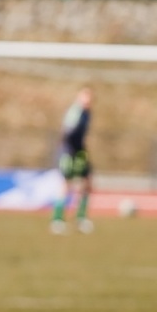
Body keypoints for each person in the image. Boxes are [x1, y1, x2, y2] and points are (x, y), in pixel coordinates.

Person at [51, 88, 93, 235]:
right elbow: (66, 132)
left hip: (80, 152)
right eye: (85, 97)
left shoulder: (88, 113)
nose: (87, 100)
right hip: (69, 152)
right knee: (66, 184)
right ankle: (57, 219)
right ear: (79, 98)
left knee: (87, 183)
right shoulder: (75, 112)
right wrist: (66, 151)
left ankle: (81, 218)